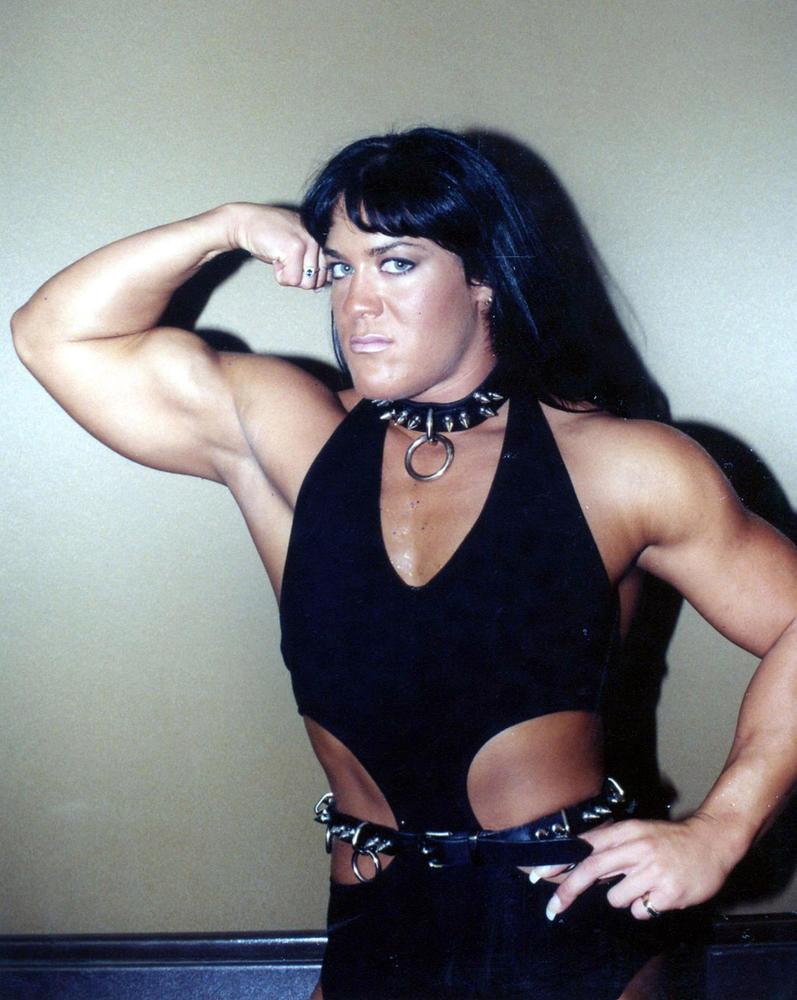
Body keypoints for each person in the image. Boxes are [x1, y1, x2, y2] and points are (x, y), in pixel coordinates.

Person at [11, 127, 797, 999]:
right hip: (374, 924)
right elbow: (54, 337)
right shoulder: (297, 437)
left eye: (396, 264)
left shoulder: (619, 465)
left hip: (562, 923)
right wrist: (224, 226)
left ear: (484, 276)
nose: (358, 305)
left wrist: (721, 830)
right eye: (340, 270)